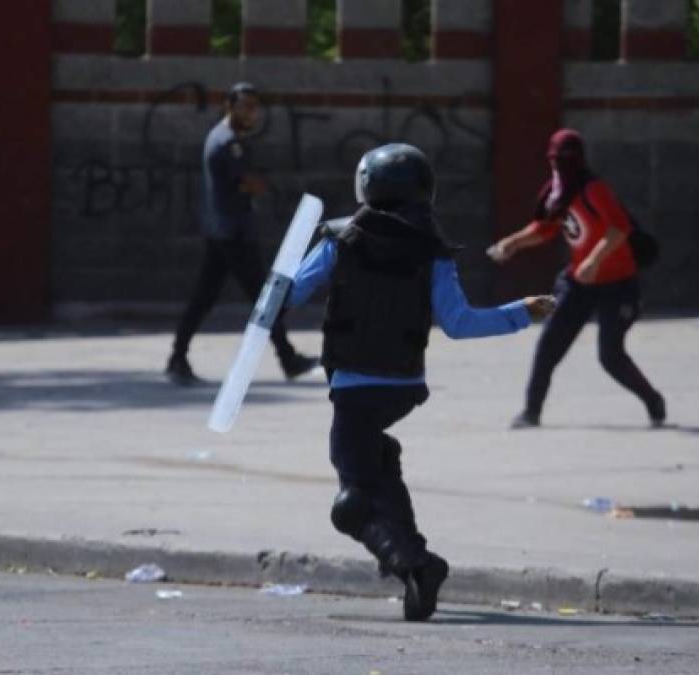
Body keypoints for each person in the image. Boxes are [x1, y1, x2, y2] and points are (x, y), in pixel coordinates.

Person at [286, 143, 554, 621]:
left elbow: (287, 296)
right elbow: (458, 323)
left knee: (351, 504)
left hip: (352, 387)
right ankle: (417, 569)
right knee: (379, 462)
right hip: (402, 388)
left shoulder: (338, 240)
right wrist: (521, 313)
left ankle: (415, 564)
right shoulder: (432, 252)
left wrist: (267, 299)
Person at [487, 128, 665, 428]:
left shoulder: (593, 189)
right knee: (549, 345)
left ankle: (652, 400)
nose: (560, 166)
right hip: (578, 283)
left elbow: (618, 229)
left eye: (566, 160)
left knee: (610, 356)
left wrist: (595, 260)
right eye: (556, 160)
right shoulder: (557, 192)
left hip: (618, 284)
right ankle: (532, 412)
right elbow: (544, 228)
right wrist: (513, 243)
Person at [165, 82, 318, 385]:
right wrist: (256, 183)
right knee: (267, 298)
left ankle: (177, 357)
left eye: (254, 107)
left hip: (223, 232)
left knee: (205, 298)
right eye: (245, 106)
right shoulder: (226, 143)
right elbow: (252, 183)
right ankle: (287, 358)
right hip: (232, 234)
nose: (252, 113)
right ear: (229, 107)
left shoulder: (228, 139)